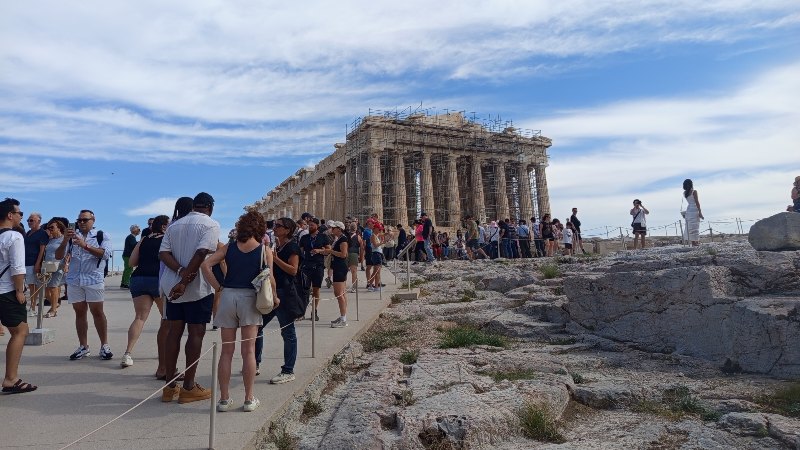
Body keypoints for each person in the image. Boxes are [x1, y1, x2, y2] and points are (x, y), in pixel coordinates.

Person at [202, 211, 277, 413]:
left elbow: (206, 264)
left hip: (228, 297)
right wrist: (275, 297)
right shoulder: (264, 250)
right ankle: (248, 398)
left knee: (226, 351)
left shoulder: (230, 247)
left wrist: (218, 287)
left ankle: (224, 399)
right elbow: (269, 279)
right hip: (249, 299)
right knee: (249, 351)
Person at [158, 192, 221, 403]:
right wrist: (185, 280)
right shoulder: (211, 224)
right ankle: (188, 386)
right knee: (196, 333)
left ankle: (169, 387)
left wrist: (179, 271)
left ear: (194, 206)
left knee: (173, 332)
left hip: (171, 285)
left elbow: (164, 254)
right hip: (197, 287)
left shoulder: (174, 225)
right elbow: (202, 252)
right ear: (210, 208)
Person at [55, 209, 113, 361]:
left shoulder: (101, 235)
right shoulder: (71, 237)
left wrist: (84, 245)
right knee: (79, 313)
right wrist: (64, 240)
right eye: (79, 220)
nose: (81, 223)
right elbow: (58, 256)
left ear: (93, 220)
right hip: (75, 279)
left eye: (85, 220)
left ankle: (104, 345)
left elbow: (105, 254)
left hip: (94, 279)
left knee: (98, 312)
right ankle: (83, 346)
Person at [121, 215, 169, 370]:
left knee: (140, 318)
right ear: (163, 227)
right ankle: (163, 351)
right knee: (166, 317)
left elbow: (132, 262)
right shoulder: (167, 240)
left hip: (139, 279)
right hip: (158, 280)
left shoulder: (143, 240)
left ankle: (127, 353)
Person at [255, 217, 299, 385]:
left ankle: (288, 370)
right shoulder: (277, 245)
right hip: (272, 292)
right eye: (274, 225)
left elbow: (293, 270)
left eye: (278, 226)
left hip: (285, 294)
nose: (274, 227)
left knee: (288, 332)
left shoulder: (292, 247)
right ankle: (255, 363)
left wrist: (275, 259)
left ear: (287, 230)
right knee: (257, 326)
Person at [0, 198, 37, 394]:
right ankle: (11, 378)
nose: (20, 216)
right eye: (19, 213)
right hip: (6, 291)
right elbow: (17, 267)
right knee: (20, 331)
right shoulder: (14, 236)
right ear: (10, 215)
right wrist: (20, 291)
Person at [298, 217, 329, 321]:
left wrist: (319, 250)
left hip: (318, 266)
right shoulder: (304, 238)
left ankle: (314, 311)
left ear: (317, 226)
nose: (309, 227)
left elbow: (328, 250)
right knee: (304, 290)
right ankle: (302, 312)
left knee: (316, 289)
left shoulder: (323, 237)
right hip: (306, 266)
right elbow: (300, 252)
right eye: (308, 225)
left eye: (311, 225)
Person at [322, 221, 349, 327]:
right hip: (338, 267)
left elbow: (343, 254)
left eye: (333, 228)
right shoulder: (339, 238)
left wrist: (331, 251)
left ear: (339, 229)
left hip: (340, 267)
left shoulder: (343, 239)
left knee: (339, 294)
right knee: (342, 294)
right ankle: (343, 317)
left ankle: (343, 319)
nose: (331, 229)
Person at [24, 212, 48, 316]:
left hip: (34, 262)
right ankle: (32, 306)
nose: (29, 222)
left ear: (39, 221)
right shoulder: (28, 233)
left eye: (31, 220)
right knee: (30, 284)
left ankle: (33, 306)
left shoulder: (42, 233)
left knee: (34, 285)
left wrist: (38, 263)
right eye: (28, 220)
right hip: (26, 261)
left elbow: (42, 249)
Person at [42, 218, 67, 318]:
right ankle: (55, 303)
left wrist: (66, 264)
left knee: (53, 287)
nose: (50, 229)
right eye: (48, 227)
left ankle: (53, 310)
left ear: (59, 228)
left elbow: (68, 253)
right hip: (48, 266)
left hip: (59, 266)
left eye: (52, 227)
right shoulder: (50, 240)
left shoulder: (64, 239)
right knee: (46, 290)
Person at [682, 179, 704, 246]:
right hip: (694, 209)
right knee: (695, 226)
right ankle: (695, 242)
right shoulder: (694, 192)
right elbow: (697, 202)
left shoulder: (685, 193)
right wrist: (700, 212)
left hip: (689, 210)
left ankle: (694, 242)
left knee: (690, 226)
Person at [121, 224, 140, 289]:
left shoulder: (131, 237)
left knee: (127, 269)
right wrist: (140, 242)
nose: (139, 231)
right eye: (138, 229)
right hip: (128, 256)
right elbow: (134, 245)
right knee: (129, 270)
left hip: (126, 255)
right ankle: (126, 283)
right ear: (134, 230)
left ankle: (123, 283)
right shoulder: (131, 237)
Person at [346, 222, 361, 293]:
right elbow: (362, 247)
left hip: (345, 253)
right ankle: (354, 287)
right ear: (356, 228)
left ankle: (343, 286)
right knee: (354, 272)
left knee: (344, 271)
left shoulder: (345, 235)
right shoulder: (358, 236)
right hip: (354, 254)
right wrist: (361, 256)